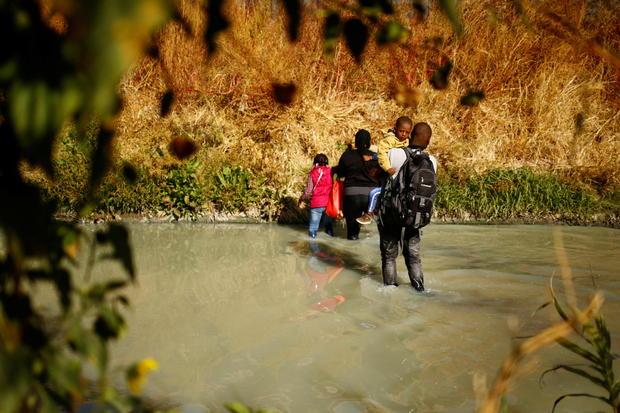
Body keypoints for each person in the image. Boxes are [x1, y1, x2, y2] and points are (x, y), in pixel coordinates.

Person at [378, 122, 437, 291]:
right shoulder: (432, 161)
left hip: (391, 213)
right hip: (415, 216)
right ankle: (419, 289)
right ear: (428, 141)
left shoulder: (395, 154)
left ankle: (390, 291)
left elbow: (381, 171)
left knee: (389, 256)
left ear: (411, 135)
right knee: (414, 256)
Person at [355, 117, 413, 225]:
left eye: (407, 132)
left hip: (400, 178)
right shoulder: (389, 141)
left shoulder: (407, 142)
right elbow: (382, 154)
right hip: (389, 174)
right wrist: (387, 168)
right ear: (395, 129)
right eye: (401, 131)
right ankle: (369, 213)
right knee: (374, 193)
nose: (404, 134)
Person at [332, 129, 381, 240]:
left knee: (352, 233)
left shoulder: (347, 155)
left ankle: (351, 243)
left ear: (356, 141)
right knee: (380, 229)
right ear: (369, 142)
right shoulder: (375, 157)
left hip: (351, 194)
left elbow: (341, 173)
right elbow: (380, 175)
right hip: (371, 195)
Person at [298, 154, 334, 238]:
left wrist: (301, 199)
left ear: (315, 162)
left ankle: (313, 247)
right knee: (328, 227)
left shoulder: (312, 173)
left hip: (316, 204)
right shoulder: (331, 171)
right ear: (326, 162)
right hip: (328, 203)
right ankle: (330, 246)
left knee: (313, 228)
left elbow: (308, 191)